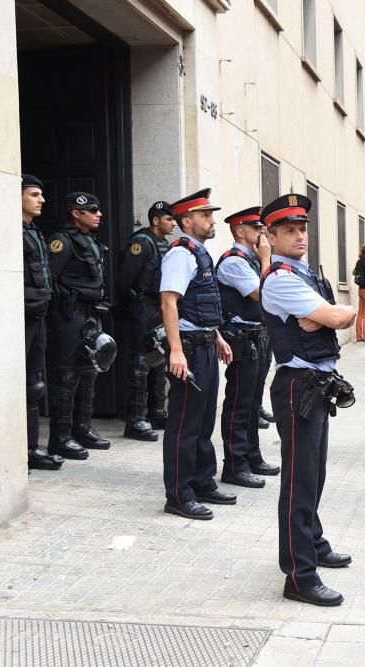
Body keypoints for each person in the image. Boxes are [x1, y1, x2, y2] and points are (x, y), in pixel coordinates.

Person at [259, 193, 356, 607]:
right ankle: (299, 575)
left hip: (317, 382)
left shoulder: (305, 275)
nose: (299, 236)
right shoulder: (281, 279)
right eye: (289, 231)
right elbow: (337, 318)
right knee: (299, 482)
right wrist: (330, 312)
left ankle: (313, 543)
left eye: (302, 229)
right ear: (272, 236)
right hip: (298, 384)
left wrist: (331, 310)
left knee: (314, 474)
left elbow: (339, 313)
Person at [160, 188, 235, 520]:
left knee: (204, 420)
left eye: (210, 213)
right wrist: (176, 351)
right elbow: (169, 302)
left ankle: (203, 481)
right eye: (205, 215)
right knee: (185, 424)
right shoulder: (181, 254)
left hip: (204, 343)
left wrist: (217, 337)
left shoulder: (200, 252)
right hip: (188, 348)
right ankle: (178, 493)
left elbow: (201, 303)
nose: (211, 219)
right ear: (186, 221)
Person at [46, 192, 114, 460]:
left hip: (90, 313)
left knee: (89, 371)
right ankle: (60, 438)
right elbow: (50, 279)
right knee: (67, 375)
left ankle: (82, 428)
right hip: (70, 314)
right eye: (93, 210)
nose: (99, 215)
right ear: (76, 212)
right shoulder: (61, 242)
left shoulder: (89, 241)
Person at [216, 206, 280, 489]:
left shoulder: (252, 260)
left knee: (254, 403)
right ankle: (235, 464)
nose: (263, 234)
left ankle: (252, 457)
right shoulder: (234, 261)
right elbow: (264, 293)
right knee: (239, 404)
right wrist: (267, 258)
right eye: (257, 228)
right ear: (241, 231)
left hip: (258, 336)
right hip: (242, 339)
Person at [118, 200, 174, 441]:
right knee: (141, 363)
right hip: (143, 306)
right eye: (169, 219)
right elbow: (124, 279)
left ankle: (156, 411)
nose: (173, 223)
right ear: (155, 220)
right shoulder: (141, 243)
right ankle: (136, 419)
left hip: (159, 306)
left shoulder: (164, 243)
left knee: (158, 358)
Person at [21, 175, 62, 471]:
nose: (42, 199)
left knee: (35, 385)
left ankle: (31, 448)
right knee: (19, 384)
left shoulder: (33, 232)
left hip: (39, 314)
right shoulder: (9, 231)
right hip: (20, 316)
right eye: (34, 194)